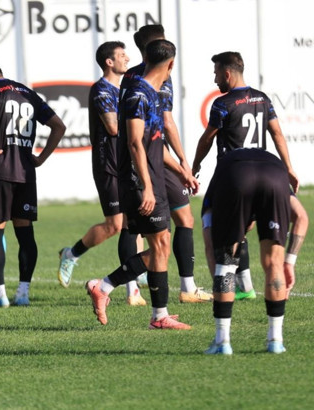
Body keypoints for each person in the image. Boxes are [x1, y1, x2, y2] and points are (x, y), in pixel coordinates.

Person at [85, 39, 197, 329]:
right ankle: (117, 293)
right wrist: (146, 185)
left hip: (152, 177)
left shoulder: (153, 93)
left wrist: (182, 170)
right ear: (170, 65)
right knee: (160, 243)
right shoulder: (137, 94)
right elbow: (135, 143)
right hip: (138, 180)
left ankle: (134, 302)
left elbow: (154, 144)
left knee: (161, 244)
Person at [190, 51, 305, 301]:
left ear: (228, 73)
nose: (215, 79)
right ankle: (247, 288)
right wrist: (289, 168)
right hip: (265, 174)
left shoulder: (223, 103)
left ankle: (229, 288)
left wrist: (195, 165)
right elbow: (277, 134)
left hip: (234, 178)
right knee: (242, 231)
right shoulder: (262, 99)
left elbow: (207, 138)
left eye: (216, 73)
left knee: (216, 232)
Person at [121, 24, 212, 304]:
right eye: (161, 43)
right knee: (149, 228)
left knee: (164, 223)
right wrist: (180, 164)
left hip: (151, 159)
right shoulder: (144, 80)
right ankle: (132, 288)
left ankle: (167, 289)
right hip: (149, 162)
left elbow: (158, 126)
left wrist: (182, 163)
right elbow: (150, 132)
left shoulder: (145, 78)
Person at [57, 41, 149, 304]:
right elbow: (112, 127)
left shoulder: (126, 88)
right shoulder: (102, 89)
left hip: (128, 163)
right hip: (108, 165)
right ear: (109, 62)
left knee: (135, 222)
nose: (127, 58)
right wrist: (135, 121)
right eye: (121, 55)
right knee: (115, 225)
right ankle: (71, 254)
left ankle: (134, 281)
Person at [0, 63, 67, 307]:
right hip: (25, 172)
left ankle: (0, 294)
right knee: (25, 234)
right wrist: (41, 157)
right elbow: (59, 126)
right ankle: (23, 293)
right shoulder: (27, 93)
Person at [201, 148, 294, 355]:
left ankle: (222, 342)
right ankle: (275, 341)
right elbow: (302, 218)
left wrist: (220, 277)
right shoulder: (274, 172)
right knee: (274, 264)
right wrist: (290, 262)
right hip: (275, 174)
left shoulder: (218, 184)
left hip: (236, 176)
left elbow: (209, 242)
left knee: (226, 262)